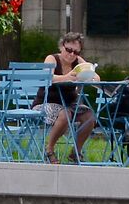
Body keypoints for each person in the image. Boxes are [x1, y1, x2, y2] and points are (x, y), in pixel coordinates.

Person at [42, 34, 98, 164]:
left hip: (70, 103)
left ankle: (76, 152)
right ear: (62, 46)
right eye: (68, 50)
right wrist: (67, 77)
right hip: (48, 101)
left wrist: (90, 77)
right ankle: (49, 149)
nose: (72, 54)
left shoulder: (78, 61)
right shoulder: (52, 59)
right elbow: (47, 77)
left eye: (76, 52)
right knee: (65, 114)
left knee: (89, 116)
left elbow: (96, 77)